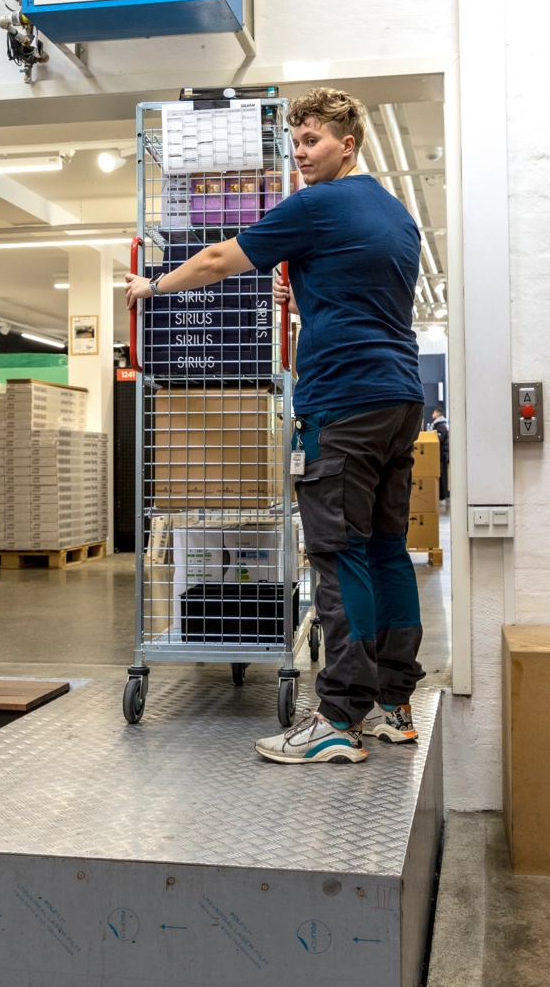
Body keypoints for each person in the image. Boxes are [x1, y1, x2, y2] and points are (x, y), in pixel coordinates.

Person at [126, 88, 426, 766]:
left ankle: (339, 719)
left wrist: (153, 287)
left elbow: (215, 261)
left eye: (312, 141)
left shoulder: (317, 204)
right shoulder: (396, 214)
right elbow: (366, 295)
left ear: (348, 144)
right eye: (295, 144)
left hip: (343, 402)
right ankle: (393, 705)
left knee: (340, 553)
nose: (300, 155)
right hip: (397, 398)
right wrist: (308, 296)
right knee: (385, 550)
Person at [431, 406, 450, 501]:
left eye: (434, 413)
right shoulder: (440, 425)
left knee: (441, 474)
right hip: (442, 453)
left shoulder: (440, 426)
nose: (432, 414)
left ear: (438, 414)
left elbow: (439, 439)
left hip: (441, 454)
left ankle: (442, 494)